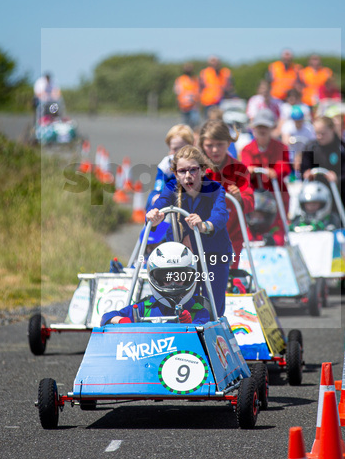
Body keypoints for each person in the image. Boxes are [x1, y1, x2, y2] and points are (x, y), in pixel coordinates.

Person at [146, 146, 233, 316]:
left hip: (214, 254)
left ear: (202, 170)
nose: (188, 176)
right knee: (182, 302)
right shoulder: (171, 188)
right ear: (175, 174)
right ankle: (185, 334)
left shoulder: (214, 188)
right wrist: (153, 216)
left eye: (193, 170)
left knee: (213, 305)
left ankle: (214, 333)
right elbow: (158, 206)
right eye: (182, 171)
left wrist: (204, 225)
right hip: (183, 257)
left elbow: (221, 215)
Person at [101, 242, 210, 325]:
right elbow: (106, 318)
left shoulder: (198, 310)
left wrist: (191, 326)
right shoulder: (146, 307)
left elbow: (206, 338)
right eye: (167, 278)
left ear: (189, 277)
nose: (173, 283)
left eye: (178, 277)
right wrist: (122, 321)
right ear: (156, 278)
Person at [198, 120, 255, 262]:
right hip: (203, 234)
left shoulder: (239, 169)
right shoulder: (197, 169)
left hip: (232, 235)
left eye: (220, 144)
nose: (215, 150)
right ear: (202, 145)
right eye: (209, 145)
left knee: (228, 278)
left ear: (229, 143)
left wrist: (239, 197)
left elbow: (250, 202)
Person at [240, 109, 291, 245]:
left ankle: (277, 245)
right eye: (259, 127)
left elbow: (285, 166)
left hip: (276, 194)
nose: (262, 130)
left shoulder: (281, 147)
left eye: (265, 127)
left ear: (272, 128)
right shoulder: (247, 149)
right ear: (253, 129)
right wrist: (250, 170)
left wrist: (275, 172)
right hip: (256, 197)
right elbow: (245, 166)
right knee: (253, 224)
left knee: (277, 229)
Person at [300, 116, 345, 213]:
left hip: (337, 193)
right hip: (316, 195)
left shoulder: (342, 148)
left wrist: (337, 178)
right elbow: (304, 167)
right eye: (317, 133)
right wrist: (307, 173)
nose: (319, 137)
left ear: (332, 130)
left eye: (323, 133)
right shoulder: (311, 147)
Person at [281, 106, 316, 178]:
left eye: (300, 120)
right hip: (291, 155)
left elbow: (312, 143)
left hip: (304, 155)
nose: (298, 123)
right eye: (296, 121)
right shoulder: (288, 126)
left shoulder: (309, 128)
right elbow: (285, 141)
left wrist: (300, 156)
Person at [174, 63, 201, 128]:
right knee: (185, 125)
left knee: (195, 124)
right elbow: (177, 92)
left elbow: (197, 92)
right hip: (183, 106)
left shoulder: (195, 79)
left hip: (193, 106)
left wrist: (198, 103)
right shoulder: (180, 79)